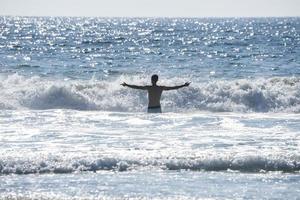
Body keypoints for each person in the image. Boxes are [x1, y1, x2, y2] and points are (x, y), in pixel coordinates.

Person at [121, 74, 190, 113]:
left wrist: (127, 85)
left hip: (150, 108)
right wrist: (183, 85)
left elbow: (137, 87)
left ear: (151, 80)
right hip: (158, 108)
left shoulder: (149, 88)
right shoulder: (160, 88)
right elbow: (173, 88)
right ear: (157, 80)